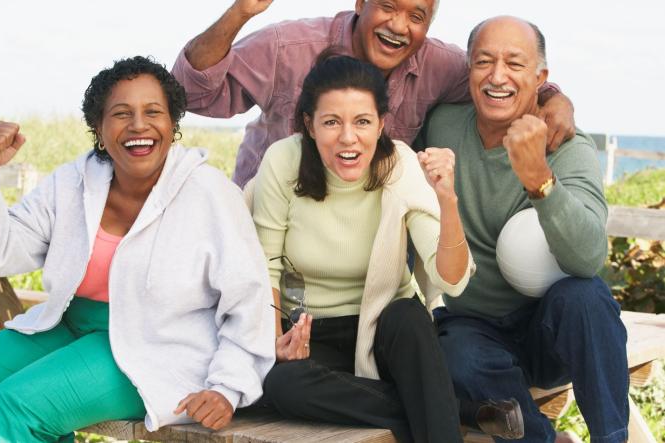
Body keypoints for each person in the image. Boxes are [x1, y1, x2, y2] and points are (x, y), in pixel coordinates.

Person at [0, 56, 276, 442]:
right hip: (73, 326)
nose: (139, 126)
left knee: (18, 404)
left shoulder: (210, 194)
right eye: (121, 113)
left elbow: (250, 301)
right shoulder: (72, 183)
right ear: (99, 127)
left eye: (153, 112)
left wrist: (228, 386)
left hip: (158, 346)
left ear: (172, 123)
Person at [251, 49, 521, 443]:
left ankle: (439, 410)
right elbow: (267, 264)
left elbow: (452, 279)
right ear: (309, 124)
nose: (348, 137)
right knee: (282, 384)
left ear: (381, 124)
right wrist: (277, 342)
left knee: (408, 318)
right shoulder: (283, 161)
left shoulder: (400, 165)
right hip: (312, 334)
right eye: (331, 122)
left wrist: (447, 199)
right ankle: (456, 408)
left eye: (362, 121)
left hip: (386, 331)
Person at [418, 17, 629, 443]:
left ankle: (613, 438)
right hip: (475, 328)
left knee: (587, 296)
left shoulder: (568, 147)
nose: (497, 76)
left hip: (550, 330)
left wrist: (540, 180)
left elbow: (588, 257)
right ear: (468, 71)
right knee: (450, 350)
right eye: (484, 62)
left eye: (514, 64)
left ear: (540, 79)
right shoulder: (441, 125)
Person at [172, 0, 576, 187]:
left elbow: (495, 81)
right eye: (387, 6)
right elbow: (191, 93)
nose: (399, 26)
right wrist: (239, 12)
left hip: (362, 245)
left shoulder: (441, 65)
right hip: (269, 225)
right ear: (361, 3)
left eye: (416, 16)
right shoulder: (287, 47)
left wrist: (554, 98)